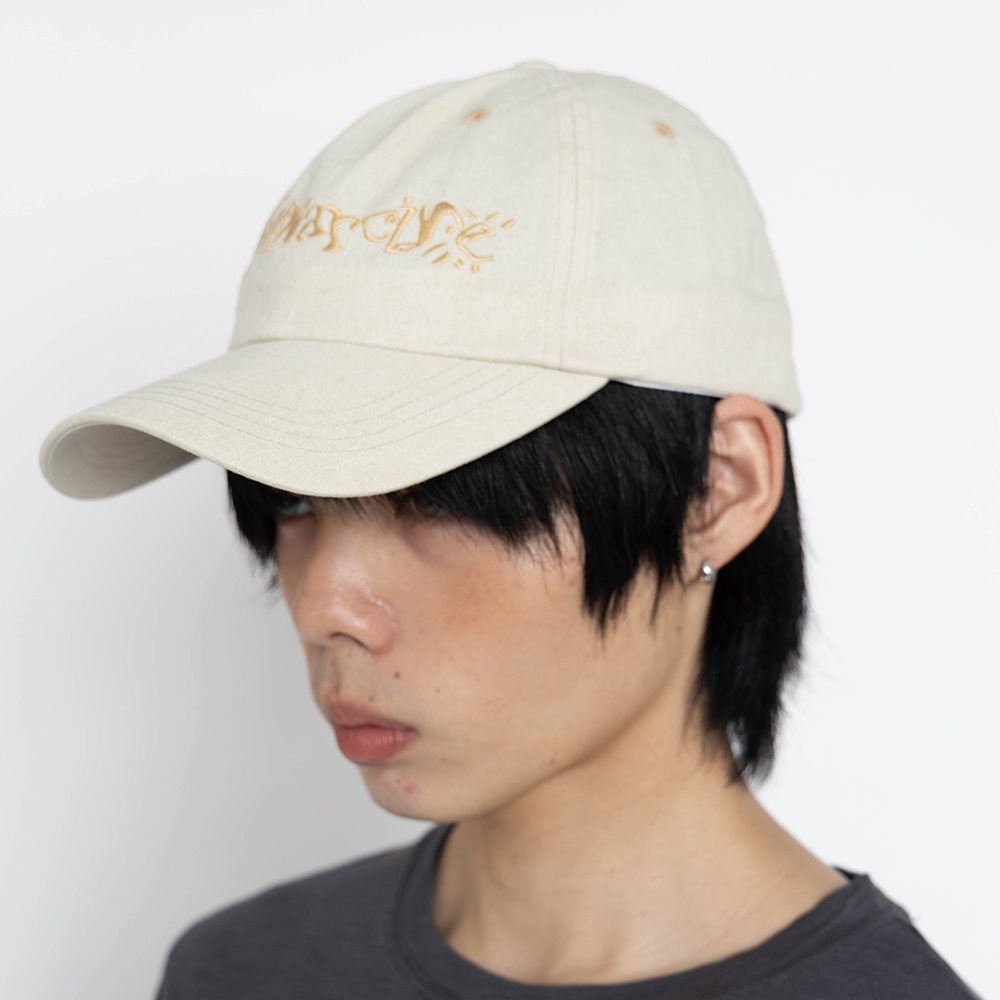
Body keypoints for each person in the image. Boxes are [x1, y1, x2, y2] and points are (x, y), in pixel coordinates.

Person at [39, 63, 979, 999]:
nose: (322, 606)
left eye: (439, 500)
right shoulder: (241, 972)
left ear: (716, 490)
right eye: (289, 503)